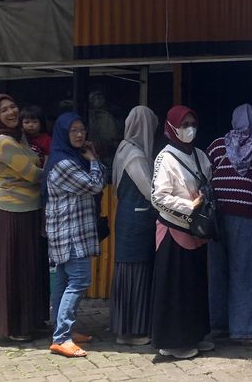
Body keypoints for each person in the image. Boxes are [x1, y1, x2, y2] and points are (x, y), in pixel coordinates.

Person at [206, 104, 252, 343]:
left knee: (218, 271)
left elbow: (207, 174)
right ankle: (244, 330)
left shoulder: (216, 146)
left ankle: (218, 325)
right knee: (245, 272)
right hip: (246, 217)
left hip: (215, 217)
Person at [150, 105, 214, 360]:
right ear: (172, 127)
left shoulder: (199, 154)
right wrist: (190, 206)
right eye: (184, 124)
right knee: (175, 289)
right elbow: (158, 198)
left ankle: (194, 334)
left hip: (196, 231)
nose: (189, 129)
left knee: (194, 286)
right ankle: (173, 342)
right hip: (173, 232)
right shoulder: (164, 158)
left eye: (192, 123)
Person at [45, 112, 106, 358]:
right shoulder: (63, 163)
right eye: (74, 131)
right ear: (63, 133)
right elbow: (95, 185)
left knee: (62, 281)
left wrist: (91, 160)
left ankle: (62, 331)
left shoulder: (69, 158)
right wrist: (93, 160)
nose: (80, 135)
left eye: (82, 130)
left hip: (68, 231)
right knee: (79, 281)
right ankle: (61, 337)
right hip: (70, 234)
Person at [0, 94, 48, 342]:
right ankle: (15, 325)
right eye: (4, 110)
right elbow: (32, 174)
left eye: (13, 106)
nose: (12, 112)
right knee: (16, 268)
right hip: (13, 213)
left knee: (30, 267)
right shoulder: (2, 141)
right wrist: (53, 168)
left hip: (29, 210)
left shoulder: (19, 137)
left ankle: (31, 321)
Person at [110, 106, 159, 346]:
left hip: (127, 218)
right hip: (136, 220)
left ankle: (125, 328)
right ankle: (131, 331)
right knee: (135, 273)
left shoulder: (123, 149)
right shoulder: (135, 156)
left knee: (127, 271)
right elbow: (150, 190)